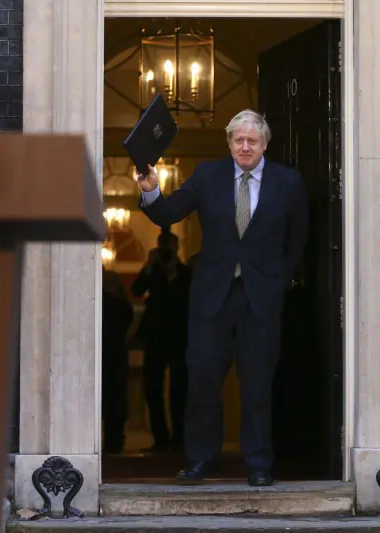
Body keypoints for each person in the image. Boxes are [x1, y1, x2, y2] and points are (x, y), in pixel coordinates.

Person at [135, 109, 308, 487]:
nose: (245, 146)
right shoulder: (207, 176)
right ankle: (201, 459)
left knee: (258, 383)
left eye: (252, 140)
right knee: (202, 380)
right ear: (229, 143)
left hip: (260, 298)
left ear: (265, 143)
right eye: (238, 140)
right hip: (212, 297)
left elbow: (298, 239)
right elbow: (169, 211)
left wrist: (280, 280)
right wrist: (151, 189)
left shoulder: (288, 182)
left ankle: (259, 463)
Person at [131, 228, 191, 453]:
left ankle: (179, 436)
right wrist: (148, 265)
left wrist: (171, 274)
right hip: (155, 336)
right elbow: (136, 291)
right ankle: (160, 436)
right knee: (152, 387)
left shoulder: (185, 273)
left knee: (179, 389)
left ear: (178, 248)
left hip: (179, 337)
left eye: (170, 247)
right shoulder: (151, 272)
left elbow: (187, 299)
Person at [101, 268, 134, 454]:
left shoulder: (109, 304)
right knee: (116, 399)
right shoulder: (122, 305)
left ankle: (113, 440)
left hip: (107, 356)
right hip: (115, 356)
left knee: (112, 399)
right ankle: (115, 440)